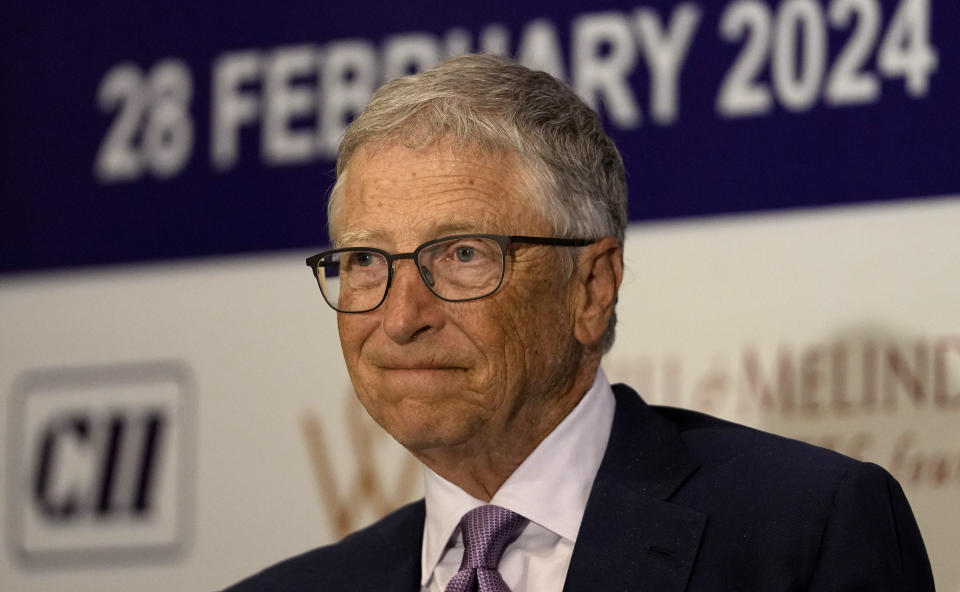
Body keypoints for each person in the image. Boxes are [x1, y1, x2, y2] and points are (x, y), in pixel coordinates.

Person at [225, 54, 934, 591]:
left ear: (592, 287)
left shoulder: (806, 533)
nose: (403, 316)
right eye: (366, 261)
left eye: (464, 254)